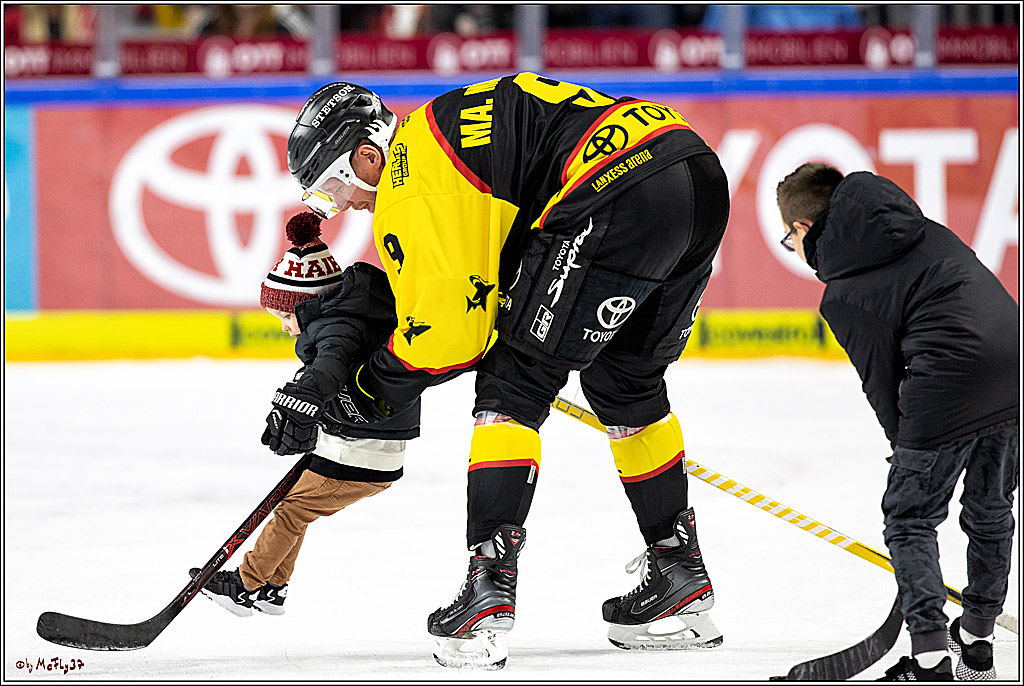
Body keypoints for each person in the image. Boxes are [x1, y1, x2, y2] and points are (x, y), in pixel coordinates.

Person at [285, 74, 730, 668]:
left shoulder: (408, 184)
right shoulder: (437, 135)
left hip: (612, 191)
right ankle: (679, 580)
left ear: (368, 153)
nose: (345, 207)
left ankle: (488, 592)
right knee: (626, 384)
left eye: (337, 189)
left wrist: (367, 389)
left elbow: (452, 339)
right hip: (692, 169)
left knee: (512, 385)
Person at [776, 163, 1019, 681]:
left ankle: (931, 658)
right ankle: (977, 644)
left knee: (910, 518)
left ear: (801, 229)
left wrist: (907, 452)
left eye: (786, 239)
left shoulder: (844, 291)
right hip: (1013, 367)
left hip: (947, 386)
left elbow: (881, 385)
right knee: (990, 508)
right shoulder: (927, 229)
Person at [192, 211, 421, 616]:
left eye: (284, 316)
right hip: (357, 443)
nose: (283, 327)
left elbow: (327, 371)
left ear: (307, 303)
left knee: (293, 511)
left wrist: (296, 401)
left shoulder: (337, 328)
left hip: (364, 453)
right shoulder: (348, 315)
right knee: (294, 508)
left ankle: (245, 584)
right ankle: (271, 589)